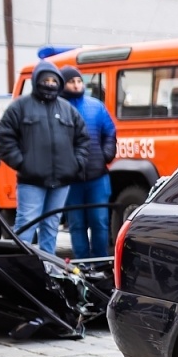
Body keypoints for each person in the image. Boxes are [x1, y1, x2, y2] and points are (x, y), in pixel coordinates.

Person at [0, 60, 88, 255]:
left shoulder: (67, 109)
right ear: (36, 80)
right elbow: (4, 138)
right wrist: (22, 163)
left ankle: (48, 267)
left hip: (62, 181)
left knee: (51, 226)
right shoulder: (19, 107)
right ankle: (19, 266)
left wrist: (76, 164)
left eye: (54, 80)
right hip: (31, 181)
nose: (50, 83)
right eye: (45, 79)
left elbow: (83, 139)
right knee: (25, 225)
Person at [59, 65, 117, 259]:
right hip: (70, 179)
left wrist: (106, 155)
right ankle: (82, 263)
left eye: (78, 81)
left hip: (97, 177)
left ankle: (99, 260)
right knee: (76, 224)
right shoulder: (57, 107)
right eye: (71, 82)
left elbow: (110, 132)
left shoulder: (96, 106)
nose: (76, 85)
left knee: (99, 221)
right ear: (63, 84)